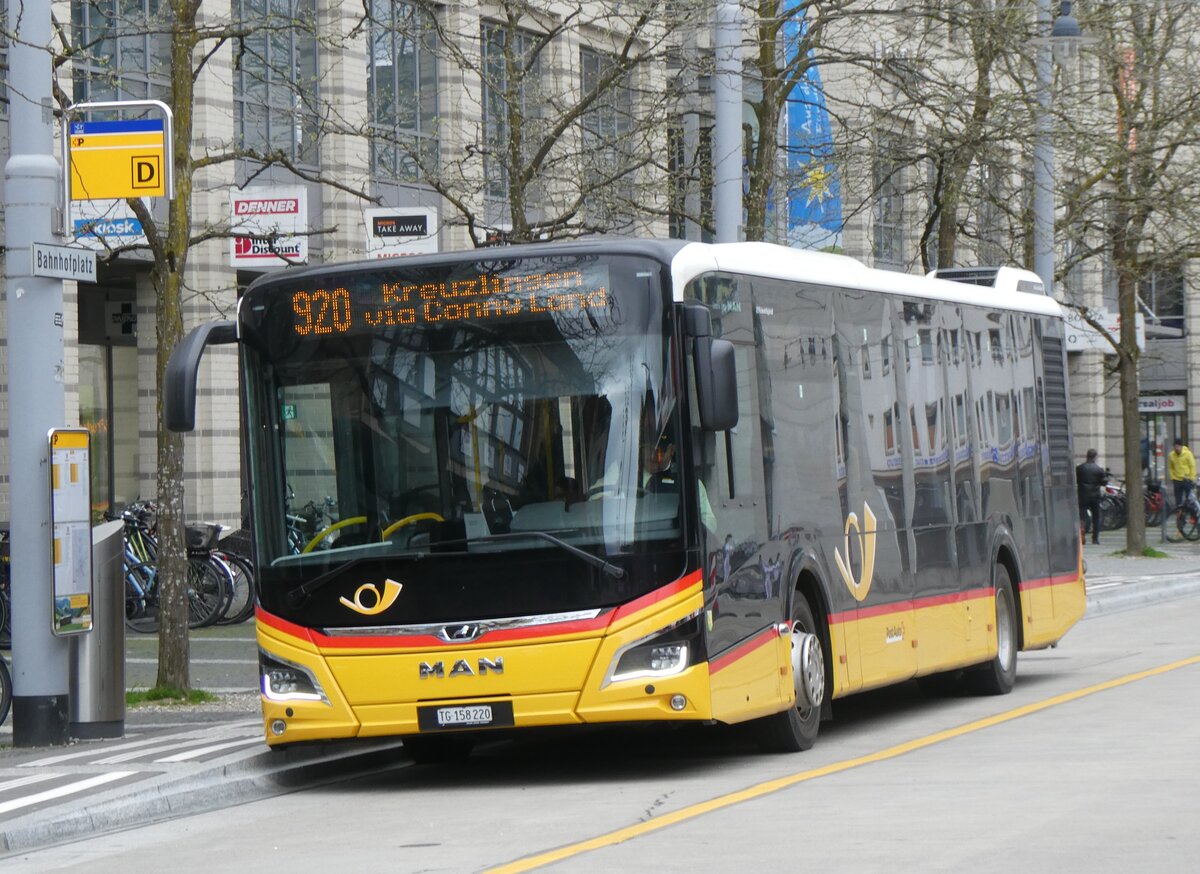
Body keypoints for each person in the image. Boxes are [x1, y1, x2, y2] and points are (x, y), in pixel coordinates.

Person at [1075, 449, 1107, 545]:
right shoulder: (1099, 469)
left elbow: (1076, 480)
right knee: (1096, 517)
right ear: (1095, 457)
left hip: (1082, 495)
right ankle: (1095, 538)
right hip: (1095, 496)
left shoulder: (1080, 468)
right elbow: (1104, 482)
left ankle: (1082, 533)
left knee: (1082, 516)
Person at [1168, 437, 1196, 510]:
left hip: (1186, 480)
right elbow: (1170, 467)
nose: (1176, 448)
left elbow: (1192, 466)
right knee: (1178, 502)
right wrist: (1172, 477)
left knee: (1189, 500)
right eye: (1175, 446)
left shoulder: (1188, 454)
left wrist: (1191, 478)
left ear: (1181, 446)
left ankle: (1191, 516)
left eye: (1178, 446)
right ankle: (1181, 519)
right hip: (1177, 480)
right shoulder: (1171, 455)